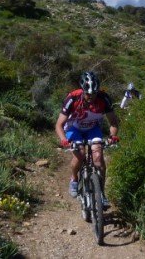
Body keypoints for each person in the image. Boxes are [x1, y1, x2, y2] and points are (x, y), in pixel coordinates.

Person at [55, 71, 119, 207]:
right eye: (88, 93)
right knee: (80, 154)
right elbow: (59, 124)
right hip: (74, 128)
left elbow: (113, 121)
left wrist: (112, 136)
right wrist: (63, 140)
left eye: (94, 93)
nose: (91, 96)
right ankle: (74, 178)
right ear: (83, 90)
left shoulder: (104, 98)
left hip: (92, 128)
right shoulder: (72, 98)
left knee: (98, 157)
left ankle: (101, 193)